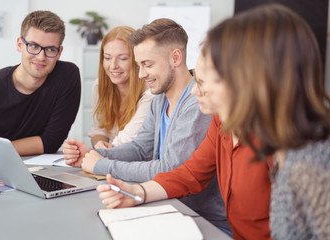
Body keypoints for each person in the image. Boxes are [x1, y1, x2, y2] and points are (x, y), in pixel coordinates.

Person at [97, 3, 330, 240]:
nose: (196, 91)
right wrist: (138, 192)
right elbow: (191, 173)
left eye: (208, 81)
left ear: (247, 78)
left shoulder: (307, 158)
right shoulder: (224, 123)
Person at [63, 18, 229, 231]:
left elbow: (171, 169)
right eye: (139, 65)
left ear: (175, 58)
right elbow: (141, 148)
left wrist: (102, 165)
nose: (141, 74)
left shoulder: (198, 105)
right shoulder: (159, 97)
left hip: (203, 219)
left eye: (147, 64)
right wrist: (94, 155)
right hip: (170, 207)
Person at [0, 10, 80, 158]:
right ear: (20, 44)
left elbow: (51, 141)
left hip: (40, 169)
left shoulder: (67, 76)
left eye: (50, 49)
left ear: (59, 52)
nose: (41, 57)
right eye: (34, 46)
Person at [87, 26, 152, 149]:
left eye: (122, 58)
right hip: (113, 160)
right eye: (107, 58)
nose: (113, 66)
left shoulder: (149, 92)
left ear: (136, 60)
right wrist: (99, 145)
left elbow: (127, 141)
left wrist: (104, 152)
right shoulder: (99, 86)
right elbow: (98, 131)